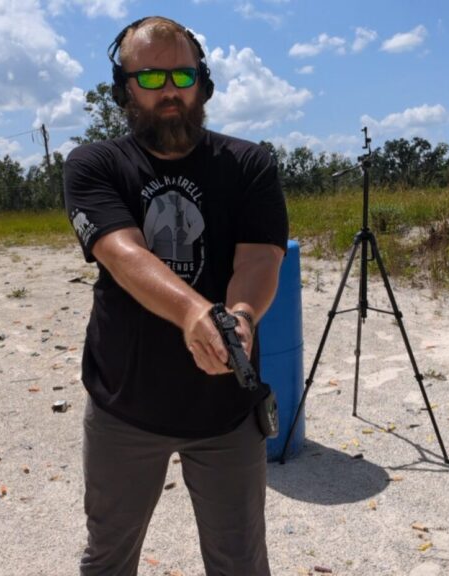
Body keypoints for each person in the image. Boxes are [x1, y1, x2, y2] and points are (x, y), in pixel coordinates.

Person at [62, 15, 289, 576]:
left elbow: (260, 258)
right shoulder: (94, 164)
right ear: (124, 89)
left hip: (227, 408)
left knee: (240, 564)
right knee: (108, 559)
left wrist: (238, 317)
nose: (169, 90)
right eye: (151, 76)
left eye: (182, 77)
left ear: (203, 84)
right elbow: (122, 253)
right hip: (125, 405)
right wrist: (194, 311)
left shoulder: (249, 163)